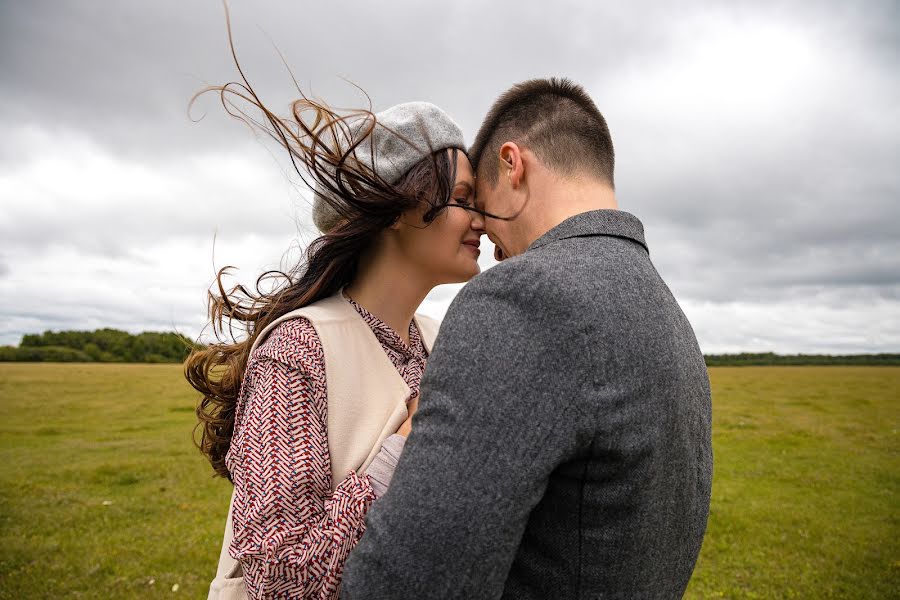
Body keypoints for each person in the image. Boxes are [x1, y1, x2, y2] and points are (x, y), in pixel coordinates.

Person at [340, 78, 714, 599]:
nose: (487, 240)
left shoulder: (525, 297)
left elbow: (410, 582)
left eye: (483, 203)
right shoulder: (666, 311)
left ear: (513, 165)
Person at [184, 55, 486, 598]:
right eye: (463, 200)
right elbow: (282, 578)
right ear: (396, 209)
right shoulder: (298, 348)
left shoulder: (445, 340)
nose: (482, 221)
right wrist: (406, 445)